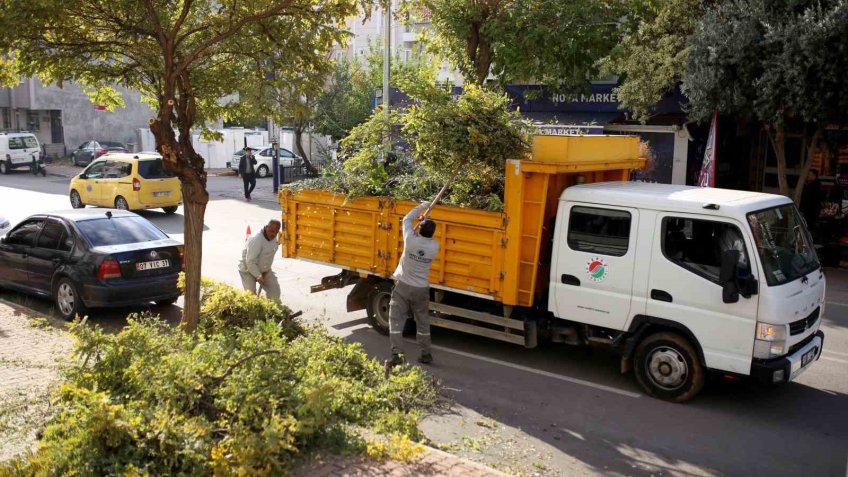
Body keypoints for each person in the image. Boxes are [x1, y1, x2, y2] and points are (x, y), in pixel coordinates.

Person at [386, 202, 440, 371]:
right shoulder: (434, 247)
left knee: (395, 320)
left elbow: (407, 219)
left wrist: (423, 206)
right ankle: (426, 354)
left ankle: (397, 355)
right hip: (421, 289)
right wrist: (424, 223)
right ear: (432, 233)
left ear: (420, 230)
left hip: (403, 287)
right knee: (423, 322)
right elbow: (424, 236)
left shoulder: (410, 239)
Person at [238, 219, 281, 303]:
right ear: (266, 227)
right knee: (251, 297)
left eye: (276, 232)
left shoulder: (274, 236)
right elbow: (250, 261)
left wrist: (265, 270)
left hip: (264, 269)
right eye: (272, 231)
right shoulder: (256, 239)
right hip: (247, 269)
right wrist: (258, 275)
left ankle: (271, 310)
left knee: (275, 292)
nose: (273, 234)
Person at [800, 168, 823, 234]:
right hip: (809, 210)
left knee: (809, 226)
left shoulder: (815, 185)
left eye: (810, 174)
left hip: (811, 211)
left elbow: (811, 198)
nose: (808, 176)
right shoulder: (811, 184)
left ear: (814, 176)